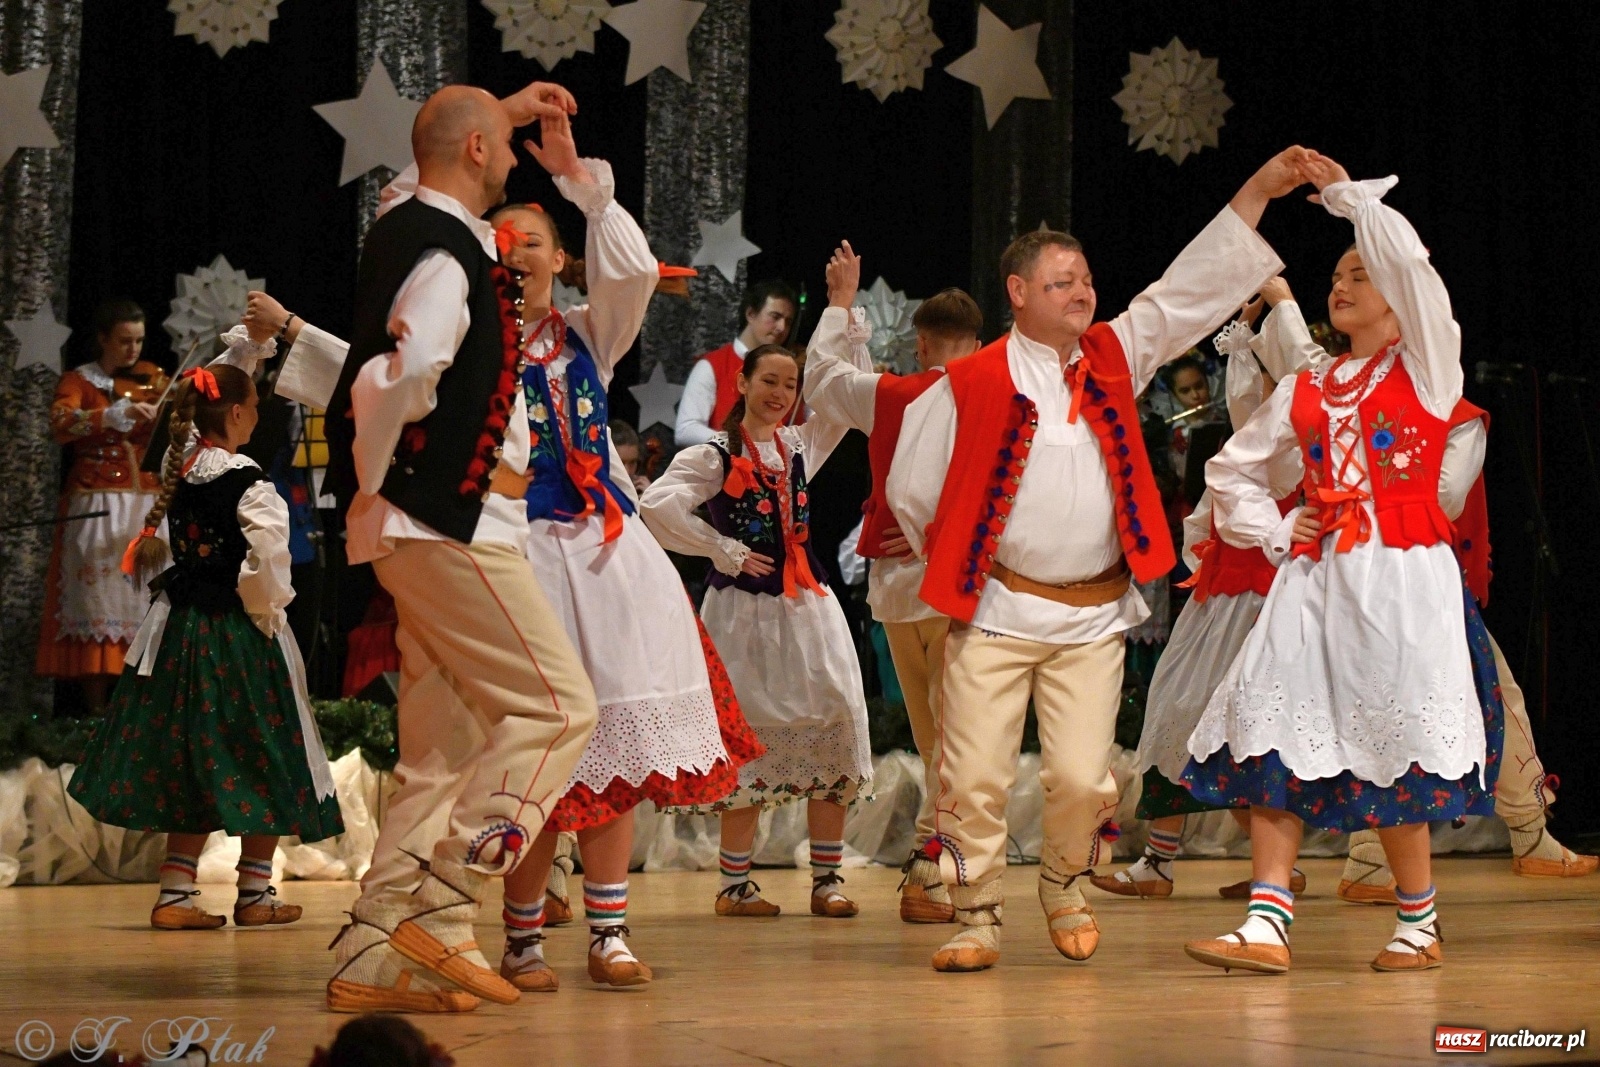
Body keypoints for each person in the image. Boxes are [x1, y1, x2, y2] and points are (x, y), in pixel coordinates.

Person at [887, 148, 1299, 973]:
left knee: (1081, 777)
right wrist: (972, 558)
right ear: (1018, 291)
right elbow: (913, 490)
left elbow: (1184, 292)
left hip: (1093, 614)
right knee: (974, 777)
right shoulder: (964, 381)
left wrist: (1257, 191)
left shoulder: (1113, 356)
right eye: (1061, 282)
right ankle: (976, 913)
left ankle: (1065, 885)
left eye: (1084, 280)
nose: (1081, 292)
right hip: (997, 610)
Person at [322, 80, 601, 1014]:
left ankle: (376, 943)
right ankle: (447, 893)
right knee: (558, 707)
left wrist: (499, 111)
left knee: (440, 753)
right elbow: (404, 372)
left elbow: (424, 179)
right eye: (505, 145)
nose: (516, 159)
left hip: (428, 520)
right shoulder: (444, 249)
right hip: (445, 521)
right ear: (478, 151)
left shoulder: (409, 227)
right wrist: (384, 474)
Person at [1181, 155, 1491, 975]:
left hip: (1401, 581)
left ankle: (1418, 922)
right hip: (1315, 577)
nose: (1341, 284)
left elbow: (1414, 271)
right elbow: (1231, 472)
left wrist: (1355, 206)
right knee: (1271, 725)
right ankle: (1267, 920)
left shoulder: (1428, 369)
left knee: (1395, 739)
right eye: (1336, 276)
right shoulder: (1309, 388)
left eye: (1360, 274)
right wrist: (1281, 530)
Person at [479, 116, 761, 991]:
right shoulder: (471, 348)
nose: (517, 251)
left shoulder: (585, 335)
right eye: (502, 241)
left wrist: (586, 189)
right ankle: (523, 939)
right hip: (520, 556)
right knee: (534, 755)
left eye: (534, 241)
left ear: (562, 260)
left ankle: (608, 930)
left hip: (605, 558)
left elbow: (633, 274)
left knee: (617, 750)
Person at [67, 359, 341, 930]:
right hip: (238, 631)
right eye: (255, 407)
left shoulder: (183, 464)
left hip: (182, 629)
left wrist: (248, 349)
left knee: (191, 754)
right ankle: (255, 892)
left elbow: (205, 391)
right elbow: (268, 562)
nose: (259, 417)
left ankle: (174, 894)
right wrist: (266, 611)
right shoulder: (248, 481)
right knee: (268, 748)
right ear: (237, 414)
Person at [641, 314, 874, 920]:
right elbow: (657, 505)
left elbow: (850, 406)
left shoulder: (798, 445)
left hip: (808, 608)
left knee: (834, 721)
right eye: (769, 380)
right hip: (743, 616)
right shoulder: (715, 455)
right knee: (746, 736)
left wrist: (850, 334)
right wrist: (721, 547)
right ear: (742, 383)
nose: (780, 393)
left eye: (790, 384)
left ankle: (827, 880)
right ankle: (735, 885)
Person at [801, 244, 983, 923]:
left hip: (897, 586)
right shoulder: (997, 398)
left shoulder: (891, 394)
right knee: (957, 738)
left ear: (921, 341)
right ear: (980, 343)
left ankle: (931, 868)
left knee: (935, 736)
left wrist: (841, 304)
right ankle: (930, 871)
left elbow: (822, 379)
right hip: (960, 583)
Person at [37, 300, 167, 710]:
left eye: (139, 341)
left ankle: (143, 705)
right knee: (96, 599)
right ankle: (97, 709)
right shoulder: (79, 381)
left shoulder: (153, 378)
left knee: (143, 597)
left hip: (146, 501)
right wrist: (109, 416)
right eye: (124, 341)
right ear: (103, 339)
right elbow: (60, 423)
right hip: (96, 500)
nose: (133, 350)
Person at [673, 280, 800, 446]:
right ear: (751, 314)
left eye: (788, 321)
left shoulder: (793, 372)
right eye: (775, 317)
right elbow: (686, 430)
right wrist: (741, 445)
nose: (781, 327)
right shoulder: (712, 365)